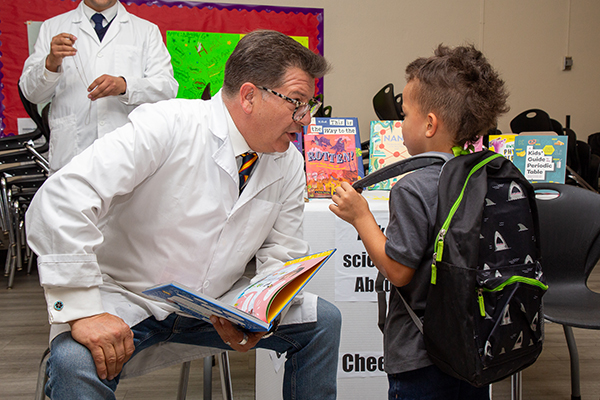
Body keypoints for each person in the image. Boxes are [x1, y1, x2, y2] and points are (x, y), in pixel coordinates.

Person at [26, 29, 341, 400]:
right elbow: (62, 197)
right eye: (297, 103)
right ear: (250, 96)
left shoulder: (287, 162)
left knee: (323, 322)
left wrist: (261, 308)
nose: (305, 120)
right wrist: (83, 310)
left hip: (216, 307)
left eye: (309, 107)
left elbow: (281, 253)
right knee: (73, 362)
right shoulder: (168, 124)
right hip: (128, 297)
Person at [329, 44, 509, 400]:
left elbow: (398, 271)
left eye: (405, 114)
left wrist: (361, 217)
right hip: (473, 343)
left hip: (420, 352)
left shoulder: (413, 187)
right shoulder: (481, 177)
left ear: (429, 124)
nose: (400, 124)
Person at [19, 0, 178, 172]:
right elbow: (32, 94)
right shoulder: (52, 27)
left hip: (128, 158)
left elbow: (167, 89)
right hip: (72, 157)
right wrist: (51, 62)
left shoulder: (146, 31)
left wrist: (125, 86)